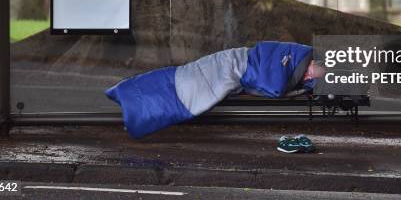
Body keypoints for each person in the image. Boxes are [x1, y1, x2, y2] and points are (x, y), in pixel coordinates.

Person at [106, 41, 325, 138]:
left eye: (309, 78)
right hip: (228, 66)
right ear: (312, 60)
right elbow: (274, 83)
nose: (306, 76)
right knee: (182, 87)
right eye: (310, 71)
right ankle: (132, 100)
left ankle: (134, 104)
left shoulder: (300, 68)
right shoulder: (293, 54)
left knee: (180, 89)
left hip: (230, 72)